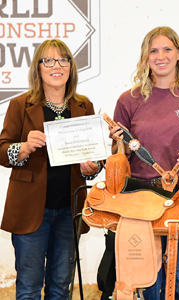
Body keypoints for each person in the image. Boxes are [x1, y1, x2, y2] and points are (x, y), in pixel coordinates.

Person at [109, 26, 179, 299]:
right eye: (153, 51)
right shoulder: (128, 100)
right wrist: (117, 143)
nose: (160, 56)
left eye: (167, 49)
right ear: (145, 57)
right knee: (148, 278)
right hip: (140, 199)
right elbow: (119, 156)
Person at [0, 39, 102, 299]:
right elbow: (1, 149)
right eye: (48, 60)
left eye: (63, 60)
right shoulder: (20, 105)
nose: (56, 66)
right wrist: (23, 148)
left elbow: (95, 160)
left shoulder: (84, 107)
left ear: (70, 67)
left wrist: (91, 168)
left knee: (60, 287)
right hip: (30, 211)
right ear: (38, 68)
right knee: (29, 288)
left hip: (70, 211)